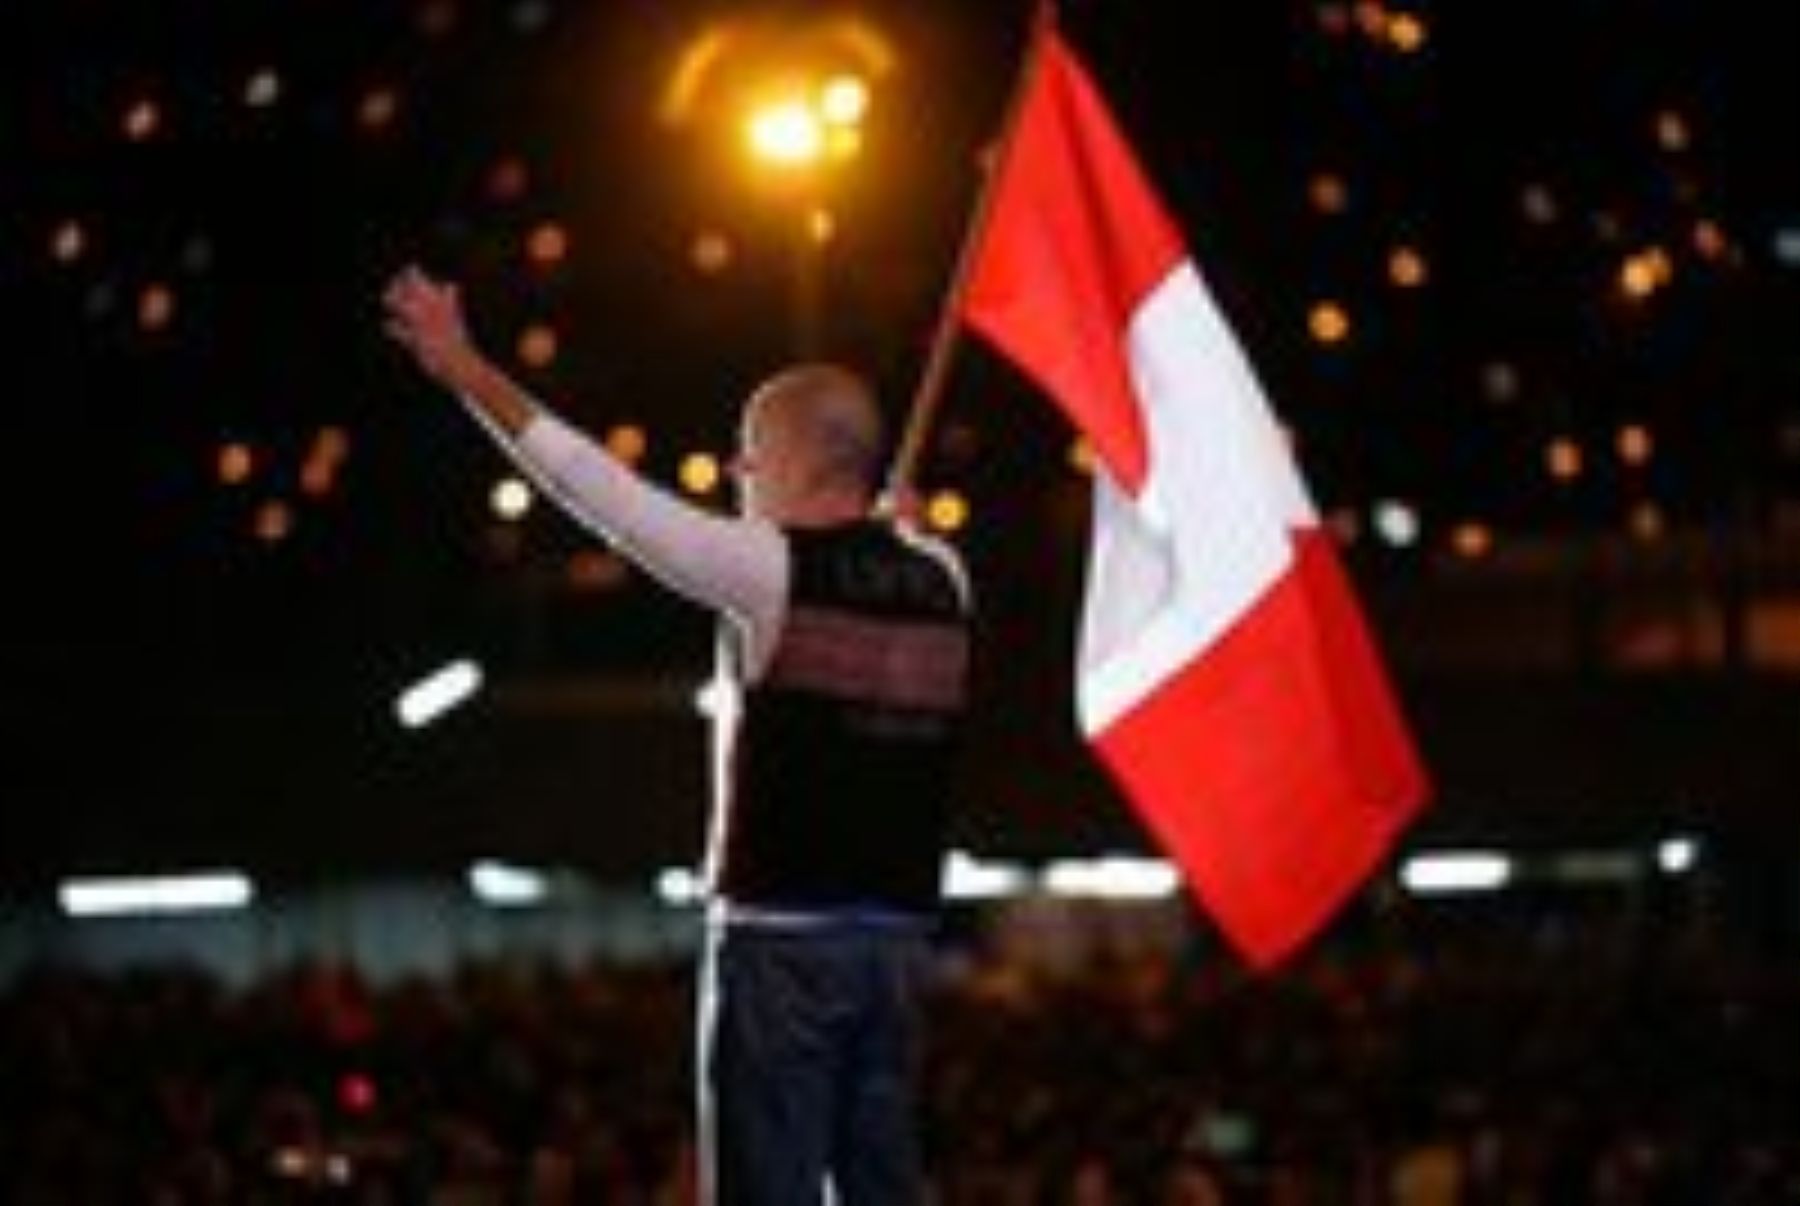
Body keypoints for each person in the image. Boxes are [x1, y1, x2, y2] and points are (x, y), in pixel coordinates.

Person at [381, 263, 974, 1205]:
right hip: (899, 952)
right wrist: (895, 531)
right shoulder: (946, 575)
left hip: (779, 950)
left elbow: (595, 489)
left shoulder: (769, 568)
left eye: (746, 452)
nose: (736, 474)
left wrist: (466, 370)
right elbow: (898, 550)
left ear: (792, 459)